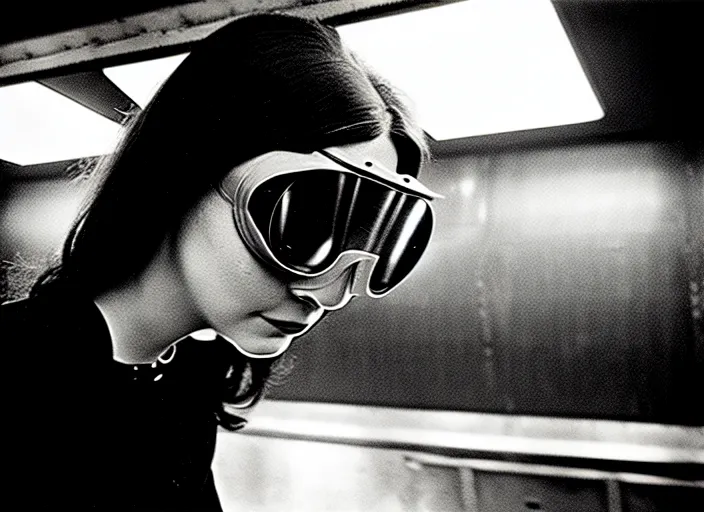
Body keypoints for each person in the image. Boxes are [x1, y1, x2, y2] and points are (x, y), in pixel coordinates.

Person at [0, 12, 439, 511]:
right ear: (187, 165)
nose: (327, 294)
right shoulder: (15, 376)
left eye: (365, 238)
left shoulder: (184, 386)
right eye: (306, 222)